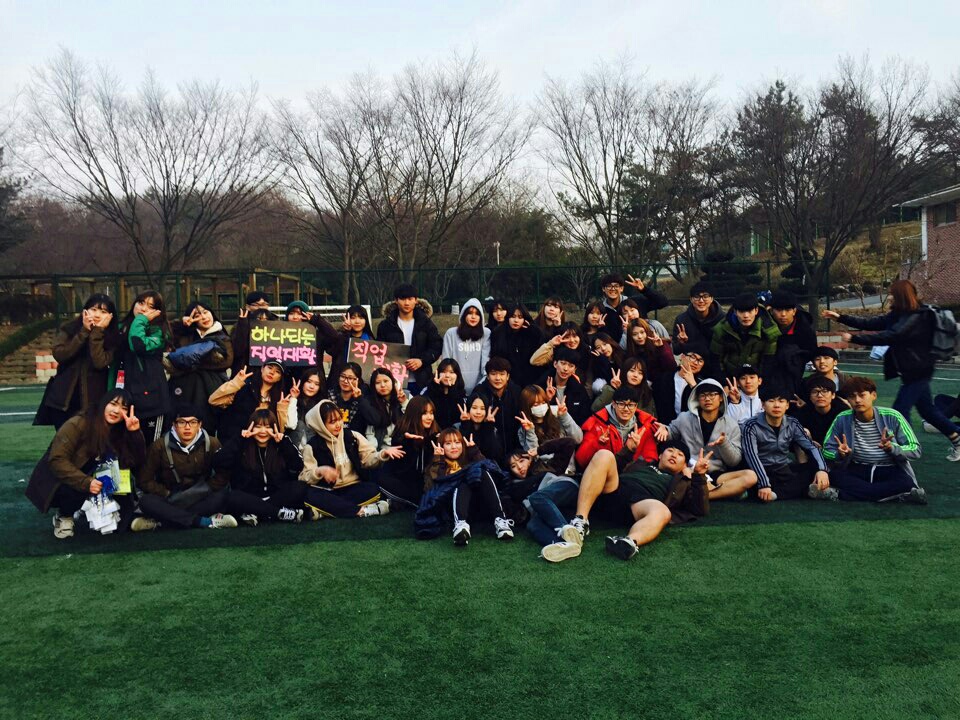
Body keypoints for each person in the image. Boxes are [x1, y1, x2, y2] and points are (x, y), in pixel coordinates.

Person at [823, 279, 960, 461]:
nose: (889, 298)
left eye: (892, 295)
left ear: (901, 296)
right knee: (928, 411)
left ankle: (905, 449)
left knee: (900, 410)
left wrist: (856, 339)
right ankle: (957, 439)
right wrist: (840, 318)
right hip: (911, 371)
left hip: (919, 371)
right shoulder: (899, 315)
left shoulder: (917, 317)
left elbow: (891, 335)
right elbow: (872, 323)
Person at [556, 441, 711, 561]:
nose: (674, 455)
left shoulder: (683, 482)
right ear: (659, 456)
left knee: (663, 512)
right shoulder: (641, 463)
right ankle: (580, 522)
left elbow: (700, 509)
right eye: (670, 450)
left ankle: (628, 542)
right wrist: (627, 450)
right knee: (604, 455)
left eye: (680, 454)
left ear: (684, 465)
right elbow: (610, 466)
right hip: (615, 489)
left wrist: (699, 476)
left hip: (640, 503)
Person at [27, 389, 145, 538]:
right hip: (62, 480)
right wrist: (86, 482)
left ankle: (92, 509)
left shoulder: (121, 429)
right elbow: (57, 460)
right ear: (103, 404)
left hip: (99, 479)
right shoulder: (79, 423)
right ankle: (64, 515)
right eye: (113, 404)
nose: (116, 411)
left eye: (124, 408)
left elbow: (136, 461)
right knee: (73, 491)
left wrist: (134, 433)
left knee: (122, 523)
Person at [822, 376, 926, 503]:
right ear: (848, 400)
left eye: (862, 395)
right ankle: (898, 496)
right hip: (857, 468)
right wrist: (839, 454)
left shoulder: (892, 416)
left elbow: (915, 449)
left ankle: (841, 495)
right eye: (852, 396)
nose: (857, 400)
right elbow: (826, 449)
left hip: (889, 469)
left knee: (906, 482)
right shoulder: (842, 418)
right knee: (834, 476)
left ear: (874, 395)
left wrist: (893, 448)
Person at [133, 404, 236, 531]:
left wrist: (207, 488)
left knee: (222, 495)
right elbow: (144, 480)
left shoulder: (212, 443)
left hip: (200, 496)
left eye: (193, 422)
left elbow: (223, 474)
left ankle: (161, 522)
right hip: (170, 498)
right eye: (182, 422)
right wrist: (165, 492)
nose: (187, 427)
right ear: (174, 425)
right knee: (146, 501)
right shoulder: (159, 446)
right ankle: (203, 521)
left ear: (200, 424)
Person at [299, 400, 404, 518]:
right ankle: (362, 511)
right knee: (310, 495)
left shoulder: (352, 436)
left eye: (339, 419)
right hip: (328, 491)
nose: (338, 425)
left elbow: (368, 459)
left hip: (353, 488)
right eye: (332, 422)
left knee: (373, 489)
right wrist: (320, 471)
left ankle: (326, 512)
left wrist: (382, 454)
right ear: (321, 425)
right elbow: (304, 477)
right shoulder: (312, 446)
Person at [657, 379, 758, 500]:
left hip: (716, 473)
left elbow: (734, 461)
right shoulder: (684, 418)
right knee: (682, 473)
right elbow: (670, 432)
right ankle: (721, 492)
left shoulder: (731, 424)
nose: (707, 399)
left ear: (721, 398)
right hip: (689, 470)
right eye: (703, 395)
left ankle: (704, 495)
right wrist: (664, 430)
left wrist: (724, 443)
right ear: (697, 399)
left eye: (712, 395)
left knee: (750, 476)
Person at [414, 428, 514, 544]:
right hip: (451, 510)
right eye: (448, 443)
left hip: (478, 506)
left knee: (480, 471)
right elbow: (431, 489)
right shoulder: (436, 464)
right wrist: (438, 460)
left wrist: (475, 452)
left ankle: (501, 521)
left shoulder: (470, 460)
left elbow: (491, 469)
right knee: (461, 478)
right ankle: (460, 525)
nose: (454, 447)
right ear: (441, 446)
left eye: (457, 442)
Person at [35, 293, 119, 430]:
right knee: (63, 440)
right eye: (93, 309)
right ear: (85, 311)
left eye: (103, 312)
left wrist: (97, 333)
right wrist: (84, 332)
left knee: (90, 441)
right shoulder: (69, 328)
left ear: (110, 316)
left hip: (93, 402)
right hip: (63, 401)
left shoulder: (114, 338)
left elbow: (99, 362)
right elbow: (60, 354)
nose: (97, 315)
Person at [213, 409, 307, 523]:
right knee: (233, 497)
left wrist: (283, 443)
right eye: (258, 427)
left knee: (299, 487)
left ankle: (258, 514)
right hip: (249, 498)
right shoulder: (241, 443)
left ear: (274, 428)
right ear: (250, 427)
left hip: (276, 496)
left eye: (268, 427)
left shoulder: (282, 442)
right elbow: (218, 462)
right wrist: (240, 439)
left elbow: (298, 465)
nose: (263, 431)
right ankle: (278, 513)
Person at [740, 385, 831, 502]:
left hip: (782, 469)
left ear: (787, 405)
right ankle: (773, 491)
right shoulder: (751, 425)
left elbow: (811, 447)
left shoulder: (792, 423)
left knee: (812, 471)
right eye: (771, 401)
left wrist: (822, 470)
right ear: (762, 404)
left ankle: (774, 494)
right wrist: (764, 483)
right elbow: (751, 456)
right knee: (751, 480)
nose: (776, 405)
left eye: (781, 401)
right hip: (759, 469)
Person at [113, 291, 172, 442]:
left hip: (151, 402)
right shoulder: (120, 328)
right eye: (141, 303)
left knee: (151, 447)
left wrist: (141, 320)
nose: (144, 308)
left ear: (158, 312)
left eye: (151, 306)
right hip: (124, 398)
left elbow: (138, 345)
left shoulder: (159, 332)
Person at [167, 301, 233, 432]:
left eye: (205, 312)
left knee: (208, 427)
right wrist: (181, 323)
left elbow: (226, 361)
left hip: (211, 389)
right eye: (197, 315)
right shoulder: (184, 335)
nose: (204, 317)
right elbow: (165, 333)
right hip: (183, 389)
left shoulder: (222, 337)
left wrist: (190, 362)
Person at [374, 396, 439, 509]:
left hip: (425, 482)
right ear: (415, 414)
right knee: (379, 479)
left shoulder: (435, 434)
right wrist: (409, 443)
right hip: (402, 481)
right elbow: (403, 469)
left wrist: (430, 441)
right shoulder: (402, 435)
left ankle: (397, 503)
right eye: (424, 413)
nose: (429, 417)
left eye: (431, 413)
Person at [376, 284, 443, 393]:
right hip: (394, 380)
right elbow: (380, 351)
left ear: (416, 300)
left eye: (410, 299)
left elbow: (436, 346)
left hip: (422, 379)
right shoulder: (386, 325)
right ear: (396, 300)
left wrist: (421, 361)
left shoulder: (426, 323)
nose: (406, 303)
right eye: (403, 299)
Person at [575, 385, 659, 470]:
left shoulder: (645, 426)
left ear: (636, 406)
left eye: (631, 405)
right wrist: (598, 444)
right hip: (604, 473)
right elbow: (581, 461)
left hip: (634, 474)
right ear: (614, 404)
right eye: (621, 404)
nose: (626, 409)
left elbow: (651, 460)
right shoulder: (597, 423)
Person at [208, 360, 295, 441]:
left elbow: (280, 431)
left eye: (277, 371)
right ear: (262, 368)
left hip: (261, 443)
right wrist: (235, 383)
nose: (272, 372)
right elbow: (214, 400)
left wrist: (282, 408)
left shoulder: (280, 399)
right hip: (233, 439)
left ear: (280, 378)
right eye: (270, 368)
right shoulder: (244, 386)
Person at [711, 292, 781, 379]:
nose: (746, 316)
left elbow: (768, 362)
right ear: (735, 312)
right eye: (741, 311)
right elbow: (716, 360)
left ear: (756, 311)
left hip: (756, 378)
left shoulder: (769, 330)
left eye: (750, 311)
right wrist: (724, 382)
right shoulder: (722, 329)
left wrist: (759, 382)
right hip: (729, 377)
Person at [472, 357, 524, 462]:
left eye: (502, 374)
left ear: (508, 376)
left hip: (514, 450)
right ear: (487, 376)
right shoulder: (479, 392)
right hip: (488, 449)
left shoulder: (516, 392)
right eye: (493, 374)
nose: (498, 378)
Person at [767, 289, 818, 396]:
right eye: (779, 310)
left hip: (793, 373)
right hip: (767, 373)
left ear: (794, 311)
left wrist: (793, 356)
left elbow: (811, 352)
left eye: (788, 310)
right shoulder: (765, 327)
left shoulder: (805, 330)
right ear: (771, 311)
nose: (783, 314)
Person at [599, 272, 668, 343]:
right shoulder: (600, 310)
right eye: (609, 286)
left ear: (621, 288)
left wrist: (644, 289)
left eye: (616, 286)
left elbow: (663, 302)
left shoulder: (635, 302)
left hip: (646, 345)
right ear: (603, 289)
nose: (613, 289)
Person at [516, 384, 583, 455]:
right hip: (546, 462)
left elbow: (578, 439)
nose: (541, 406)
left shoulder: (557, 416)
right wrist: (530, 432)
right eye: (536, 405)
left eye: (543, 402)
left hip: (567, 461)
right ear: (527, 407)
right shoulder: (525, 429)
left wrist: (564, 416)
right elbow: (533, 456)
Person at [441, 298, 490, 395]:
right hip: (455, 388)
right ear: (463, 315)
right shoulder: (451, 333)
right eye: (470, 313)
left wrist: (480, 388)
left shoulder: (486, 333)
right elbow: (446, 362)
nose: (473, 317)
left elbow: (486, 365)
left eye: (477, 314)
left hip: (479, 390)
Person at [489, 302, 543, 388]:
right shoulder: (498, 334)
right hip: (505, 382)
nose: (516, 320)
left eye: (520, 317)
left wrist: (533, 329)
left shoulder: (531, 334)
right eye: (513, 316)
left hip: (529, 382)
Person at [537, 347, 591, 427]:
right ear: (555, 364)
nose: (565, 369)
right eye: (563, 363)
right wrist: (547, 399)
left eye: (571, 366)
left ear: (574, 369)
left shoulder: (579, 389)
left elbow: (584, 417)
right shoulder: (541, 385)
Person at [652, 346, 706, 424]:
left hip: (688, 428)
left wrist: (693, 385)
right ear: (683, 357)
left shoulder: (703, 385)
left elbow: (704, 409)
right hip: (663, 426)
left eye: (700, 361)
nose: (695, 363)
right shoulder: (664, 378)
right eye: (693, 357)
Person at [672, 282, 723, 363]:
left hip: (716, 363)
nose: (701, 301)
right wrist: (681, 343)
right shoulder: (681, 320)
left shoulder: (722, 319)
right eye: (697, 297)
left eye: (705, 296)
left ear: (712, 299)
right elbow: (675, 350)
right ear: (691, 299)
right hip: (692, 364)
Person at [789, 376, 846, 447]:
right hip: (811, 448)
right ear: (809, 396)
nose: (819, 395)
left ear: (833, 395)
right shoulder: (805, 411)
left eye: (824, 391)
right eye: (815, 392)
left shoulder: (842, 412)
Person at [230, 291, 276, 377]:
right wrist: (242, 324)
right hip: (245, 373)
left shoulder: (276, 324)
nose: (261, 308)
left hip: (269, 374)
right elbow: (237, 350)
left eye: (264, 304)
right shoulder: (240, 325)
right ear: (248, 307)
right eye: (256, 305)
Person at [329, 304, 375, 386]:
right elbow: (333, 351)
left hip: (363, 384)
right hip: (340, 383)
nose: (357, 321)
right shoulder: (340, 337)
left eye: (361, 318)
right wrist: (346, 332)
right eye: (353, 318)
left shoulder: (371, 341)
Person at [364, 368, 409, 451]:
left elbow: (412, 419)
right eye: (378, 383)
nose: (382, 385)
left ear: (393, 382)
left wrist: (404, 403)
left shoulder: (405, 396)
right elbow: (369, 433)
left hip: (402, 447)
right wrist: (376, 453)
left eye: (386, 381)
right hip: (381, 450)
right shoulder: (370, 402)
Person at [327, 362, 376, 434]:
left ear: (358, 380)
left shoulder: (364, 398)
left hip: (354, 438)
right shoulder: (329, 396)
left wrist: (360, 398)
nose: (346, 381)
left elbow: (374, 420)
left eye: (350, 378)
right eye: (343, 376)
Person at [288, 366, 326, 448]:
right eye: (309, 382)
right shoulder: (291, 401)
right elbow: (291, 425)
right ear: (303, 382)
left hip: (314, 450)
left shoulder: (321, 405)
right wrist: (293, 398)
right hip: (293, 449)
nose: (312, 386)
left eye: (317, 384)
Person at [423, 358, 467, 430]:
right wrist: (435, 388)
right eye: (443, 372)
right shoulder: (429, 391)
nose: (447, 375)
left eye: (451, 372)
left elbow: (456, 417)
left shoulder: (461, 394)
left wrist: (452, 391)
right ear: (438, 373)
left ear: (457, 375)